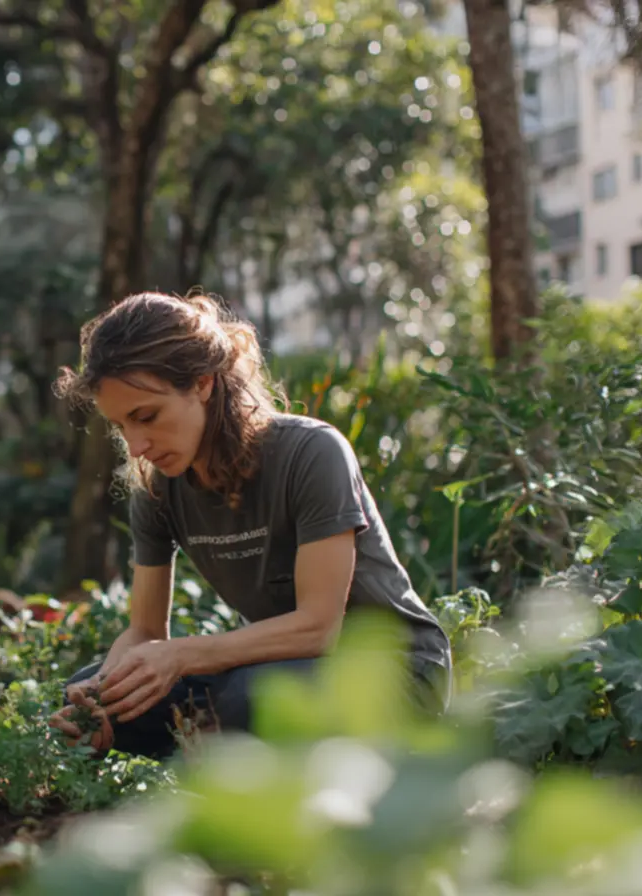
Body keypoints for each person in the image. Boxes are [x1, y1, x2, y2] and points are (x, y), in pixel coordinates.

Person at [46, 291, 452, 759]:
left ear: (202, 382)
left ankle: (238, 761)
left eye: (147, 417)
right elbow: (144, 632)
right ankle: (226, 755)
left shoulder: (312, 454)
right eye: (121, 427)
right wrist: (101, 695)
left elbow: (319, 629)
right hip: (278, 669)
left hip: (396, 670)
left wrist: (180, 656)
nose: (136, 445)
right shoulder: (158, 492)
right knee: (97, 698)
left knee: (249, 699)